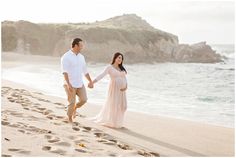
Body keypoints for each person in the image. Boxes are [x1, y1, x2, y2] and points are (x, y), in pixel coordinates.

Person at [61, 38, 93, 122]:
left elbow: (85, 71)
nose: (82, 47)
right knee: (71, 102)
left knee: (84, 99)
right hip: (69, 83)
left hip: (79, 83)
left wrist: (90, 81)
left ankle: (75, 108)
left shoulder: (81, 57)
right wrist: (68, 84)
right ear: (75, 46)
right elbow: (65, 72)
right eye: (81, 45)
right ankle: (69, 118)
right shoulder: (66, 57)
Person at [91, 52, 127, 128]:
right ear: (115, 58)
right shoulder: (109, 67)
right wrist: (92, 82)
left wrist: (126, 86)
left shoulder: (121, 68)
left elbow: (124, 78)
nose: (120, 59)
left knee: (123, 106)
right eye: (119, 57)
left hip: (122, 90)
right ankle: (114, 123)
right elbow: (102, 75)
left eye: (121, 58)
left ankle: (119, 122)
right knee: (114, 105)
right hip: (114, 89)